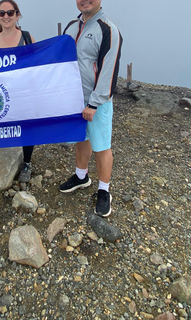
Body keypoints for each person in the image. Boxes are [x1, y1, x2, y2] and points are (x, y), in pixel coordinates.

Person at [60, 0, 123, 218]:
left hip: (97, 101)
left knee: (102, 145)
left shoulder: (108, 29)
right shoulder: (71, 26)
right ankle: (81, 176)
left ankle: (104, 191)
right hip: (74, 97)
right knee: (81, 138)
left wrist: (94, 103)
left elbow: (109, 70)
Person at [0, 0, 36, 183]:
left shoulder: (27, 37)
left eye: (10, 12)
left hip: (23, 94)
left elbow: (39, 64)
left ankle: (27, 162)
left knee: (27, 128)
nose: (6, 16)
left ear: (17, 15)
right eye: (2, 13)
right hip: (0, 96)